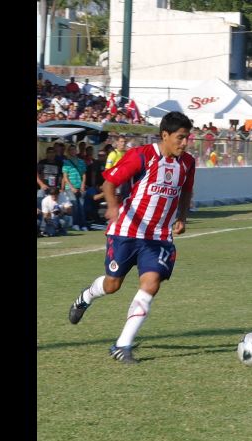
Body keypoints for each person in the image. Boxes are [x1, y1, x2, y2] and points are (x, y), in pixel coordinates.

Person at [67, 111, 195, 364]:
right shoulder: (142, 156)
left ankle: (122, 345)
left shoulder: (188, 163)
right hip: (126, 232)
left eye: (187, 138)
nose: (184, 143)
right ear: (165, 135)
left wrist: (181, 216)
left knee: (151, 284)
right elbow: (108, 184)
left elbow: (186, 192)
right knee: (113, 285)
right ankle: (86, 297)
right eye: (180, 138)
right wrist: (113, 207)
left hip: (158, 236)